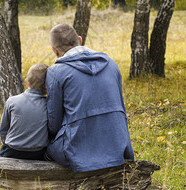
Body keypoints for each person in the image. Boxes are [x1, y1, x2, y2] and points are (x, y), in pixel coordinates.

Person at [45, 24, 134, 172]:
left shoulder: (56, 72)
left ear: (55, 50)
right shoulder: (111, 64)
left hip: (77, 152)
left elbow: (54, 124)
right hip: (118, 146)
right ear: (79, 40)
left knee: (44, 150)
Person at [0, 63, 49, 160]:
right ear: (47, 87)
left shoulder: (12, 101)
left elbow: (3, 130)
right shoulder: (49, 105)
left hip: (11, 151)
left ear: (26, 82)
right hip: (38, 153)